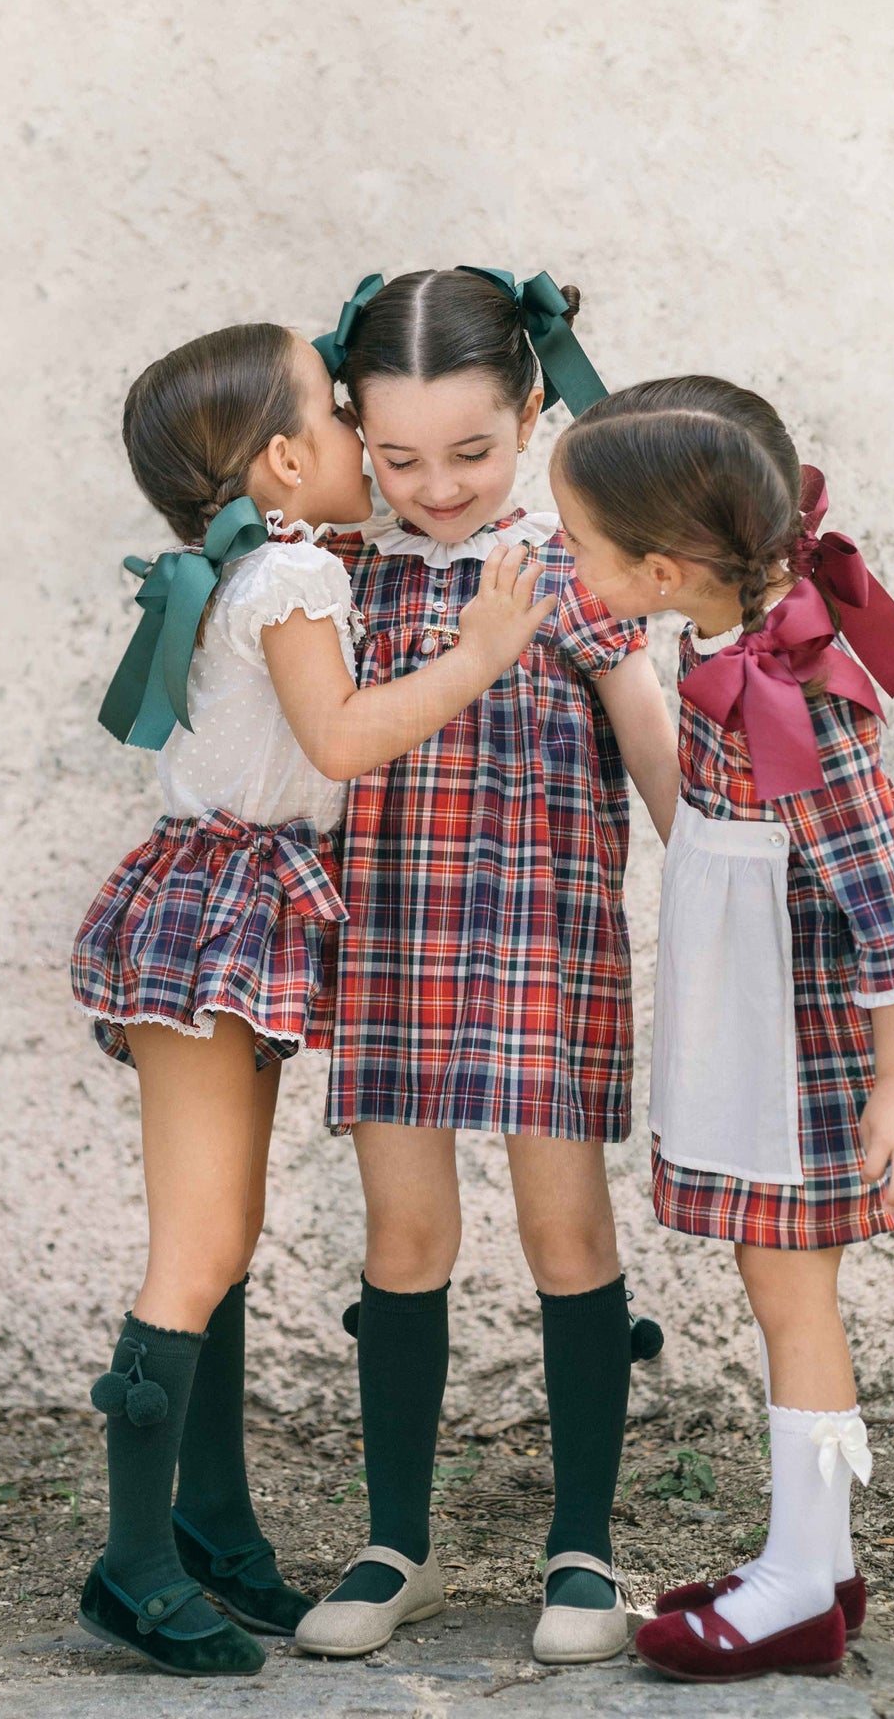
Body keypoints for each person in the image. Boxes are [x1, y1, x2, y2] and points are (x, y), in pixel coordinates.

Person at [71, 321, 552, 1678]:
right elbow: (340, 738)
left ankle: (212, 1530)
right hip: (225, 908)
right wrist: (478, 654)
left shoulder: (272, 560)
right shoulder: (291, 574)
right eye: (343, 419)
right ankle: (133, 1563)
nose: (361, 434)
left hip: (234, 901)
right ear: (287, 460)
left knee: (224, 1237)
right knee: (197, 1247)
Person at [551, 375, 894, 1685]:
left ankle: (802, 1582)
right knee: (778, 1291)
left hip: (807, 1050)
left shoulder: (789, 693)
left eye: (580, 544)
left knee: (788, 1292)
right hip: (750, 1011)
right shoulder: (715, 638)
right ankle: (813, 1555)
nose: (569, 563)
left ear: (659, 565)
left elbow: (893, 895)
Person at [294, 269, 679, 1667]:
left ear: (529, 411)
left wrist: (728, 883)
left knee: (567, 1235)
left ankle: (581, 1541)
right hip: (390, 946)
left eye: (471, 451)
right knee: (404, 1239)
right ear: (354, 434)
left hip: (543, 950)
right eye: (396, 457)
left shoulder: (571, 568)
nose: (436, 487)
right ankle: (396, 1532)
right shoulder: (340, 575)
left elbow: (655, 759)